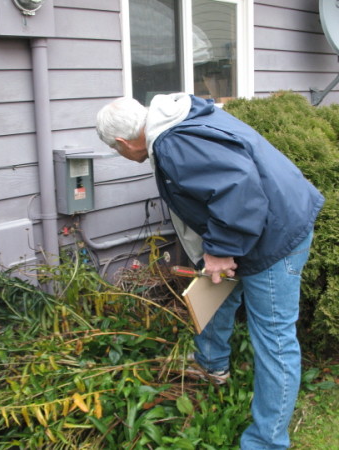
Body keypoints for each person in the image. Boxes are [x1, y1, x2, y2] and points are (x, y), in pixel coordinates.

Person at [96, 93, 324, 450]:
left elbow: (239, 189)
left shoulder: (174, 143)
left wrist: (221, 250)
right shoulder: (172, 122)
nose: (121, 155)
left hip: (275, 234)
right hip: (256, 223)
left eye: (117, 150)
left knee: (275, 338)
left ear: (124, 143)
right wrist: (216, 252)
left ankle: (267, 441)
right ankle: (210, 363)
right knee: (212, 289)